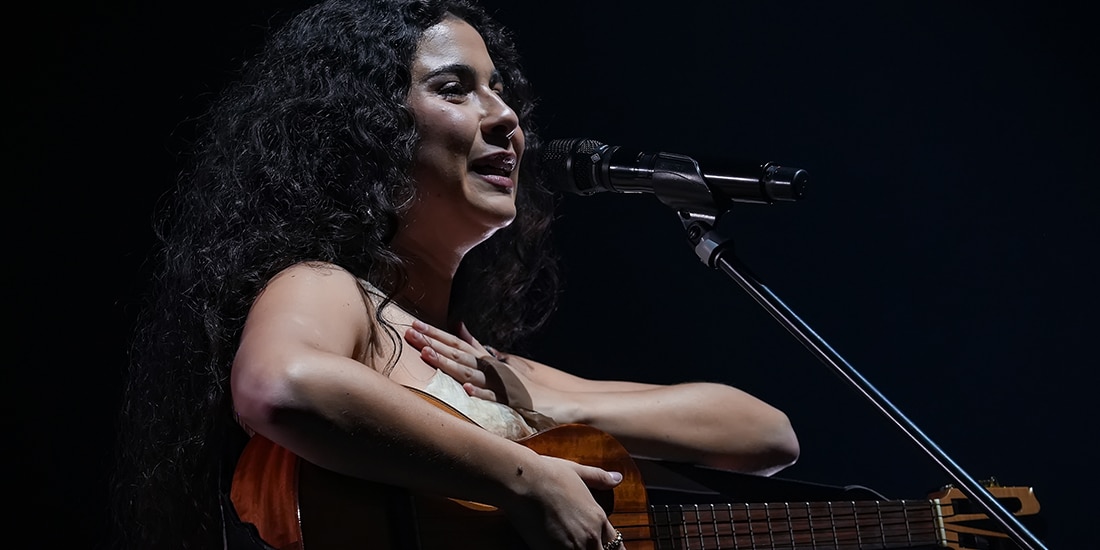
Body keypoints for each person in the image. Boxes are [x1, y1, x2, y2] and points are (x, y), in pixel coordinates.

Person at [110, 0, 800, 548]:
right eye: (455, 89)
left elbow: (766, 435)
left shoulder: (486, 366)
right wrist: (522, 476)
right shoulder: (328, 290)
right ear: (367, 129)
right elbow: (278, 384)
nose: (504, 116)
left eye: (500, 92)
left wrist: (547, 405)